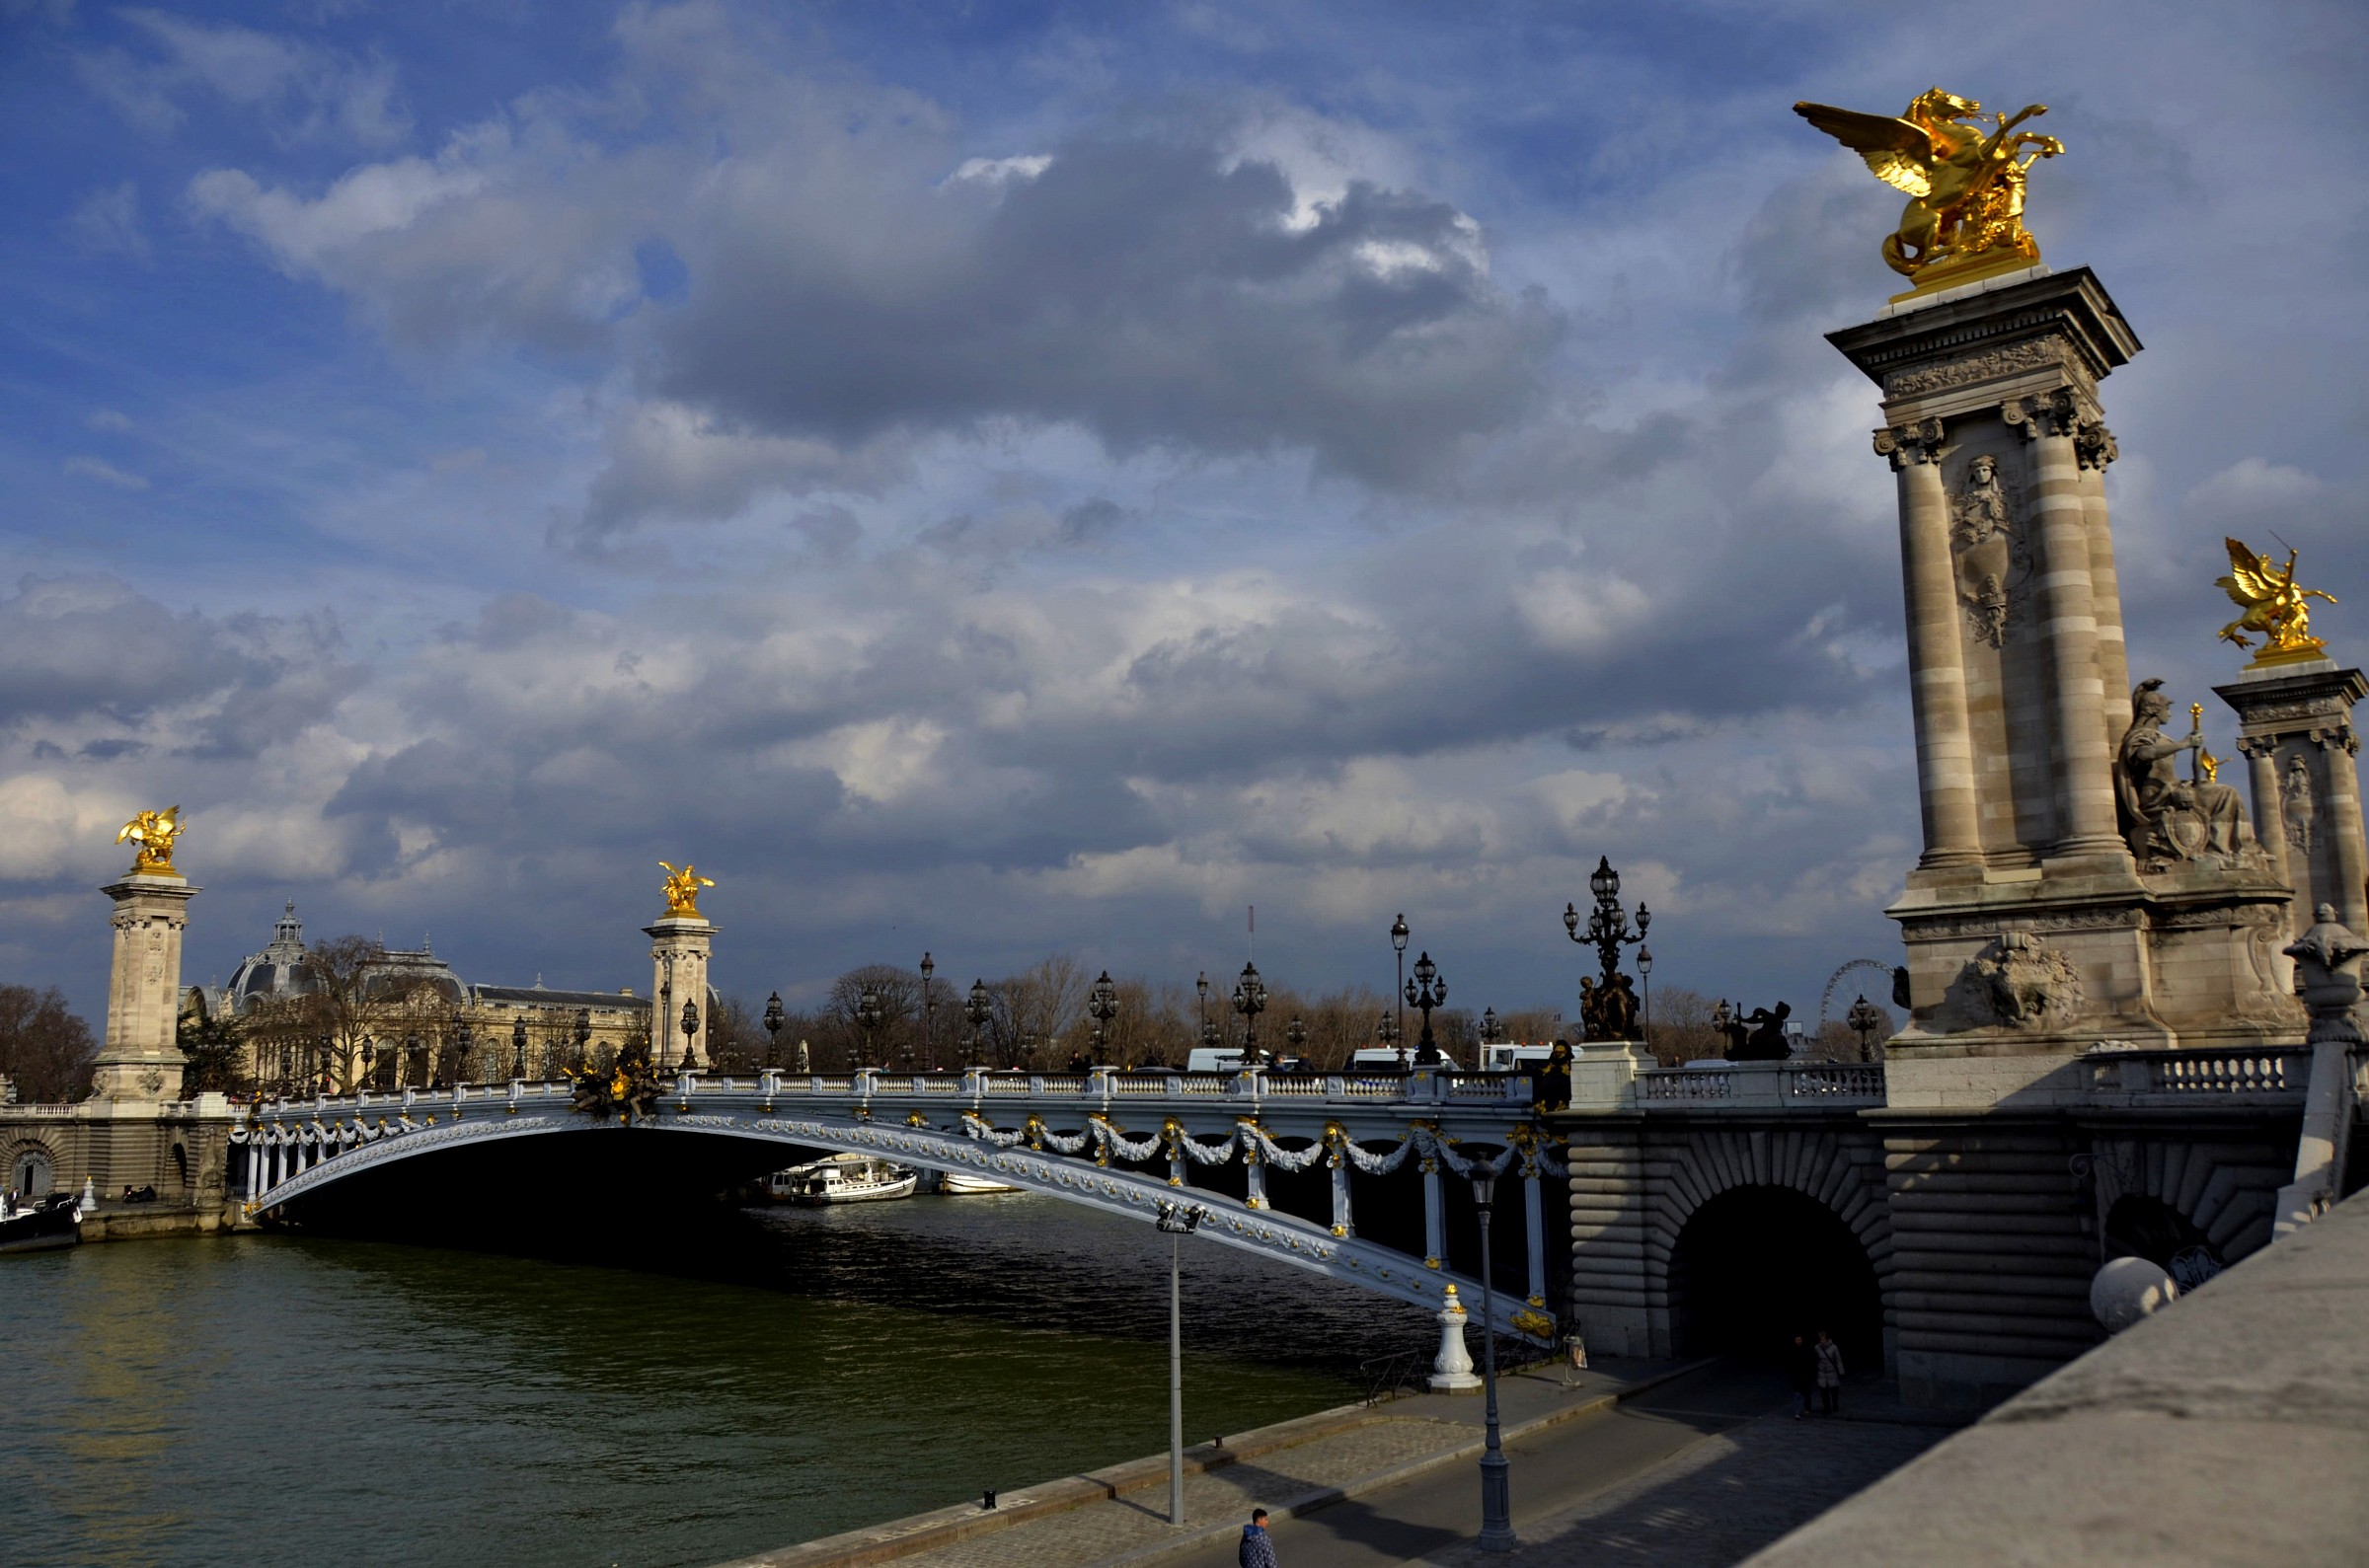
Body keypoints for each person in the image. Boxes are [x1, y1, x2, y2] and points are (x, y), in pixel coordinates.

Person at [1814, 1329, 1846, 1416]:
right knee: (1824, 1392)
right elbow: (1815, 1359)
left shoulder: (1834, 1347)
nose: (1822, 1341)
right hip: (1822, 1373)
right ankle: (1827, 1408)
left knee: (1834, 1391)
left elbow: (1838, 1360)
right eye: (1820, 1339)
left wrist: (1841, 1371)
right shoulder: (1817, 1348)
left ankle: (1835, 1404)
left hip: (1832, 1372)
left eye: (1823, 1339)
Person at [1786, 1332, 1815, 1420]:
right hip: (1797, 1376)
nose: (1799, 1341)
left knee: (1803, 1394)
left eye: (1800, 1340)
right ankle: (1797, 1412)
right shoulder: (1792, 1350)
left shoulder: (1806, 1350)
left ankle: (1803, 1409)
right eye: (1797, 1340)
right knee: (1798, 1394)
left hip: (1805, 1375)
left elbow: (1811, 1362)